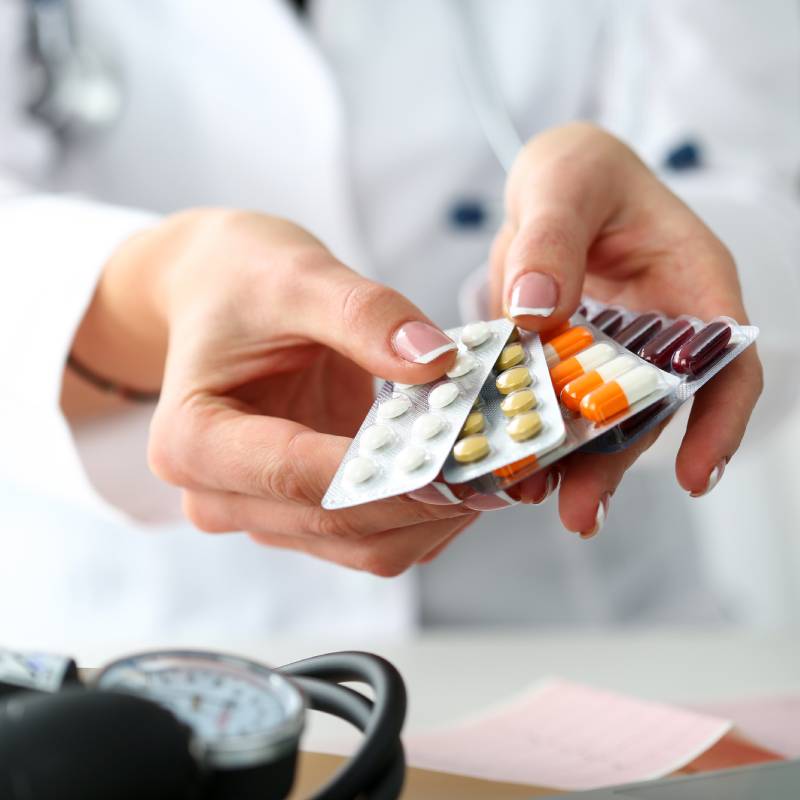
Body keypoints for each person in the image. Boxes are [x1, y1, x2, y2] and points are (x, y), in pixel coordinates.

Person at [0, 0, 795, 650]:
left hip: (582, 633)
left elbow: (763, 184)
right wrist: (152, 290)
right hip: (149, 646)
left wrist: (641, 308)